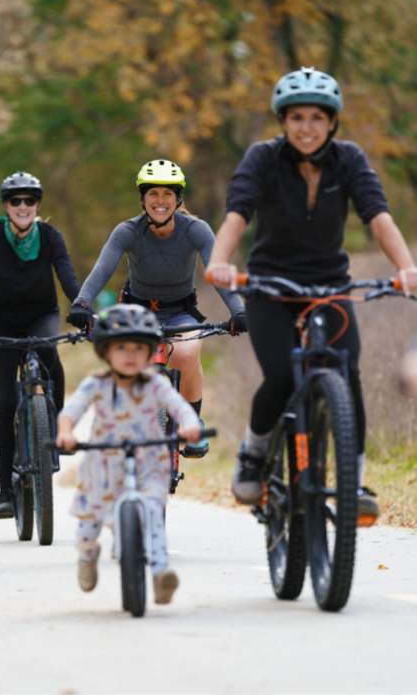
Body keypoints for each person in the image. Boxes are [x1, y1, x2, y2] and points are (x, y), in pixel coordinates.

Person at [205, 67, 417, 521]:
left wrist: (406, 268)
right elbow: (237, 212)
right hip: (269, 286)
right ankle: (255, 453)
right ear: (283, 121)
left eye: (317, 118)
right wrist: (220, 261)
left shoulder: (349, 160)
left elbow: (378, 216)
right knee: (281, 374)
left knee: (347, 372)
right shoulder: (263, 158)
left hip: (329, 285)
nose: (307, 127)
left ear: (332, 122)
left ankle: (353, 480)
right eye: (297, 117)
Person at [67, 159, 246, 455]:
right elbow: (102, 270)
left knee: (188, 352)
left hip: (179, 311)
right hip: (137, 312)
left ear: (178, 199)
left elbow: (218, 272)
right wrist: (82, 303)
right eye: (153, 194)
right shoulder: (127, 231)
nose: (160, 201)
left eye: (167, 194)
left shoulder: (196, 229)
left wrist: (237, 311)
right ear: (143, 199)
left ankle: (191, 422)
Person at [0, 171, 80, 519]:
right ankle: (5, 491)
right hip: (1, 320)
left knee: (48, 351)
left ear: (38, 204)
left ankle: (54, 428)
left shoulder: (51, 236)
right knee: (7, 399)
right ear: (6, 206)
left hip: (42, 315)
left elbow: (67, 275)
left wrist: (84, 310)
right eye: (15, 201)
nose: (23, 206)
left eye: (30, 200)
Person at [57, 304, 202, 604]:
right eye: (122, 347)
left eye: (139, 348)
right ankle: (87, 556)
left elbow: (180, 407)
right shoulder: (97, 384)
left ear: (150, 351)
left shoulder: (156, 384)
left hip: (149, 462)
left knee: (153, 513)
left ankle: (161, 573)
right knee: (88, 526)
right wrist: (66, 433)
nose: (131, 355)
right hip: (104, 465)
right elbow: (70, 413)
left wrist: (189, 425)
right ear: (106, 351)